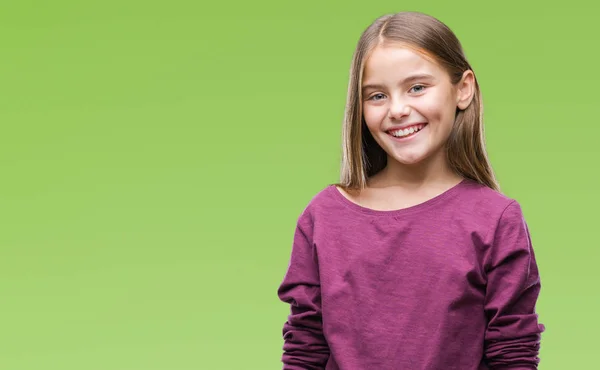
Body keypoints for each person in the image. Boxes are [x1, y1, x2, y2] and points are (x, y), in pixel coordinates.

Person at [276, 11, 545, 370]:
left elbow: (513, 355)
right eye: (376, 96)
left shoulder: (497, 220)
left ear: (463, 89)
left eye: (417, 87)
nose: (398, 110)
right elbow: (304, 349)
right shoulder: (324, 216)